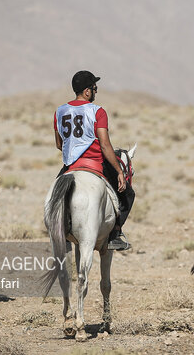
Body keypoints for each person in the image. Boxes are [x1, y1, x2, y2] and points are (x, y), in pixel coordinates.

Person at [54, 70, 134, 251]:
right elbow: (105, 146)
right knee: (128, 194)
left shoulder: (60, 111)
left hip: (70, 166)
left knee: (55, 197)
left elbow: (59, 144)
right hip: (94, 163)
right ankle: (116, 233)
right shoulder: (98, 112)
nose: (96, 92)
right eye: (94, 88)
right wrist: (120, 172)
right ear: (87, 91)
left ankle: (60, 234)